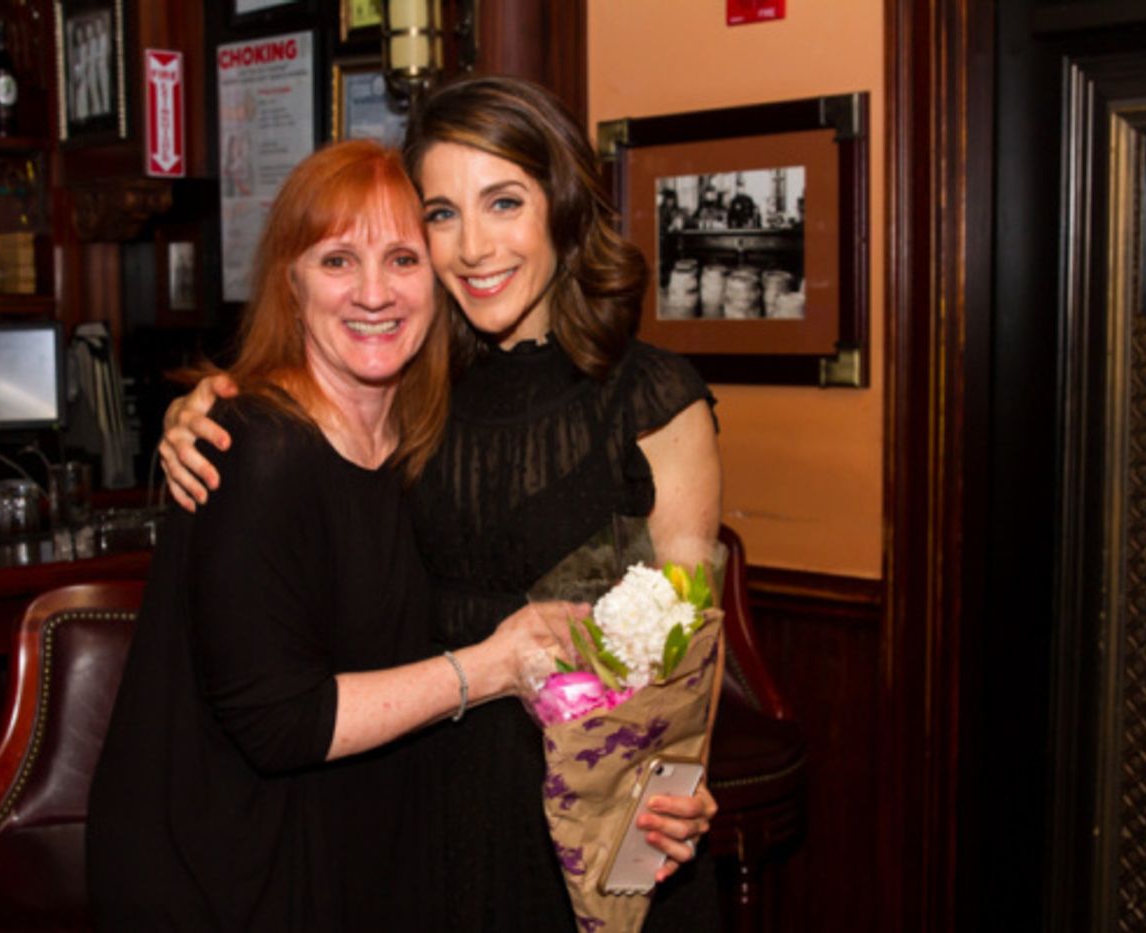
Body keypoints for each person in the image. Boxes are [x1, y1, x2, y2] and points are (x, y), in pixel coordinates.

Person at [159, 76, 723, 931]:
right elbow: (302, 461)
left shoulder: (653, 397)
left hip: (588, 811)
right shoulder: (413, 383)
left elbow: (687, 640)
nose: (473, 246)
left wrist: (675, 791)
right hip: (415, 803)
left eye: (503, 201)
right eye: (442, 215)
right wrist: (192, 414)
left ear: (561, 207)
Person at [87, 139, 580, 931]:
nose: (375, 293)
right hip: (226, 872)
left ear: (441, 282)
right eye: (338, 261)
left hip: (358, 842)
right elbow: (281, 722)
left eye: (403, 259)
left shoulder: (424, 439)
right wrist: (494, 665)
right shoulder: (254, 446)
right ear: (291, 280)